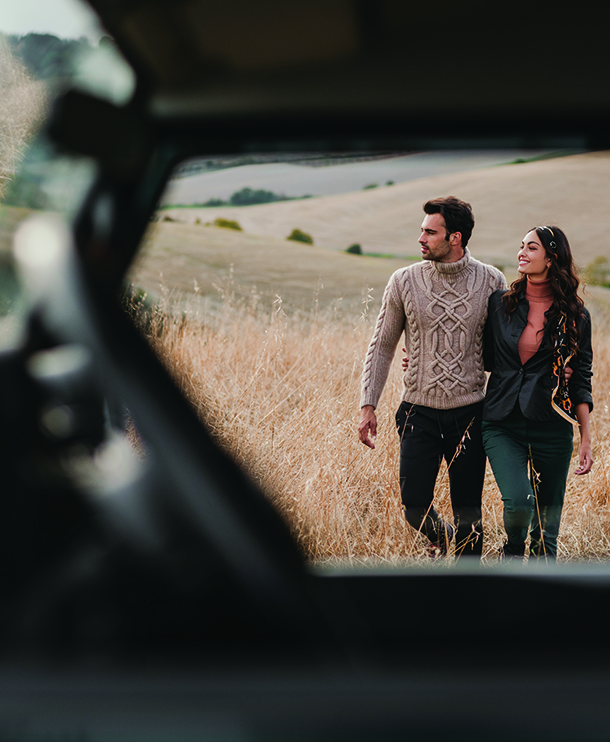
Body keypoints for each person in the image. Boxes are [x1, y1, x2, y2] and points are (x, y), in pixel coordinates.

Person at [358, 196, 506, 558]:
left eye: (430, 232)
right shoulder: (403, 281)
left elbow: (501, 353)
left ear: (455, 237)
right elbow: (382, 346)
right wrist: (367, 404)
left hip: (471, 413)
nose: (421, 238)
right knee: (413, 505)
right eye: (421, 230)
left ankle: (467, 593)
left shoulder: (492, 281)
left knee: (469, 510)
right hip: (417, 412)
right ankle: (441, 534)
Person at [482, 225, 593, 561]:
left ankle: (543, 601)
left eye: (531, 248)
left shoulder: (576, 316)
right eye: (521, 246)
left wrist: (586, 438)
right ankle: (512, 550)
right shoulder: (500, 305)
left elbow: (582, 377)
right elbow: (479, 354)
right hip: (502, 421)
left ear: (551, 257)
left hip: (553, 425)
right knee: (518, 504)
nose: (522, 253)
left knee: (547, 533)